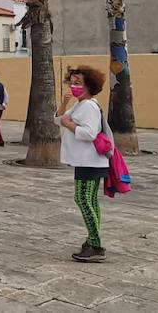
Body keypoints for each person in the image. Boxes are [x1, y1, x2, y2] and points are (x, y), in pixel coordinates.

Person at [58, 65, 111, 263]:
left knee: (82, 199)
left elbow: (90, 133)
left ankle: (96, 245)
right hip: (86, 160)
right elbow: (59, 119)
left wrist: (69, 124)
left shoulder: (88, 106)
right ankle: (92, 240)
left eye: (78, 83)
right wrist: (64, 104)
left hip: (90, 161)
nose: (74, 86)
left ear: (89, 84)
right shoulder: (80, 104)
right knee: (90, 201)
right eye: (72, 82)